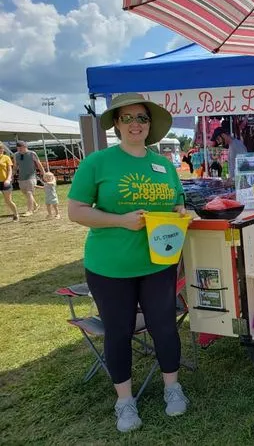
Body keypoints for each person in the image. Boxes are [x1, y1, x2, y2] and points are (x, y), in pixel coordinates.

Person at [67, 93, 189, 433]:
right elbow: (76, 210)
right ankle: (124, 401)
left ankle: (172, 387)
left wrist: (179, 212)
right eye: (128, 118)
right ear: (117, 124)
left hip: (158, 262)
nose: (136, 124)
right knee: (118, 332)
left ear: (150, 125)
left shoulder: (164, 164)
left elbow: (177, 200)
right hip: (111, 266)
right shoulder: (98, 162)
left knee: (164, 326)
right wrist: (120, 221)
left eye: (142, 118)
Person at [13, 140, 44, 216]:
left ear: (25, 147)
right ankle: (36, 205)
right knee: (26, 194)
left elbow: (39, 164)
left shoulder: (32, 154)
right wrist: (11, 176)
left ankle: (29, 211)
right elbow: (15, 167)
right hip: (21, 178)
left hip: (31, 177)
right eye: (18, 148)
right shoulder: (16, 155)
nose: (19, 149)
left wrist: (44, 173)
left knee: (29, 193)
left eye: (21, 147)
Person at [0, 142, 19, 221]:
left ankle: (16, 214)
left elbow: (10, 170)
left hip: (5, 182)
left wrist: (8, 179)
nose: (1, 150)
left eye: (1, 148)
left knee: (8, 201)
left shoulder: (6, 157)